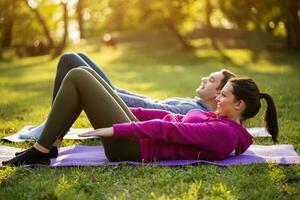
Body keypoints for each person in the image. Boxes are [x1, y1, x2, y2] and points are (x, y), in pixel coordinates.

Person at [2, 67, 278, 166]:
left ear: (240, 105)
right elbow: (167, 117)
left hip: (134, 148)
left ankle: (41, 149)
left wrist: (110, 130)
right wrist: (126, 110)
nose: (218, 97)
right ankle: (49, 147)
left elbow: (168, 131)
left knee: (78, 75)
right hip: (140, 136)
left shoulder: (224, 134)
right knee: (83, 77)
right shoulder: (222, 122)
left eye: (224, 95)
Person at [19, 52, 236, 139]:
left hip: (124, 113)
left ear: (219, 93)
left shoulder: (196, 112)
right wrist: (117, 91)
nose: (204, 79)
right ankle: (52, 125)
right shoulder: (195, 103)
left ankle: (51, 129)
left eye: (211, 80)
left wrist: (112, 95)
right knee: (78, 57)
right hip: (123, 103)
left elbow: (156, 113)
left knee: (69, 60)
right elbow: (153, 102)